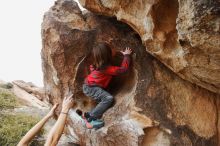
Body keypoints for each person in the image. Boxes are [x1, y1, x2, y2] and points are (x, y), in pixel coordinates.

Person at [81, 42, 132, 129]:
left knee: (104, 96)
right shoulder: (107, 69)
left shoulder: (96, 63)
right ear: (108, 55)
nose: (113, 49)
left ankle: (88, 115)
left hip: (89, 86)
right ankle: (91, 118)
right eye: (110, 49)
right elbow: (123, 69)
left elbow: (92, 68)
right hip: (91, 88)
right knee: (108, 98)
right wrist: (126, 56)